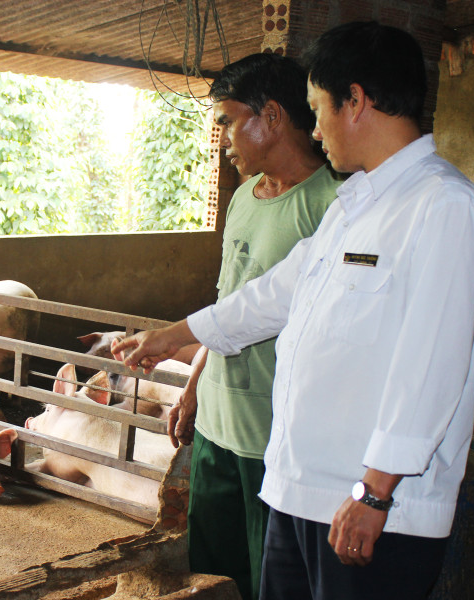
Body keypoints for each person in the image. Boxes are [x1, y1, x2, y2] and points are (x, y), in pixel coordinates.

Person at [114, 21, 474, 600]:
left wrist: (375, 491)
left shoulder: (443, 208)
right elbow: (272, 296)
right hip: (299, 489)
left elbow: (432, 368)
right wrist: (176, 336)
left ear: (357, 101)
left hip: (371, 508)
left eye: (318, 108)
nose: (315, 129)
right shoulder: (354, 207)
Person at [165, 53, 340, 600]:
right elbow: (228, 305)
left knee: (272, 582)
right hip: (218, 425)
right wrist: (195, 387)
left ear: (271, 117)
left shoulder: (330, 205)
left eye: (228, 120)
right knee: (213, 574)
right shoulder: (242, 197)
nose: (224, 138)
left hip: (274, 440)